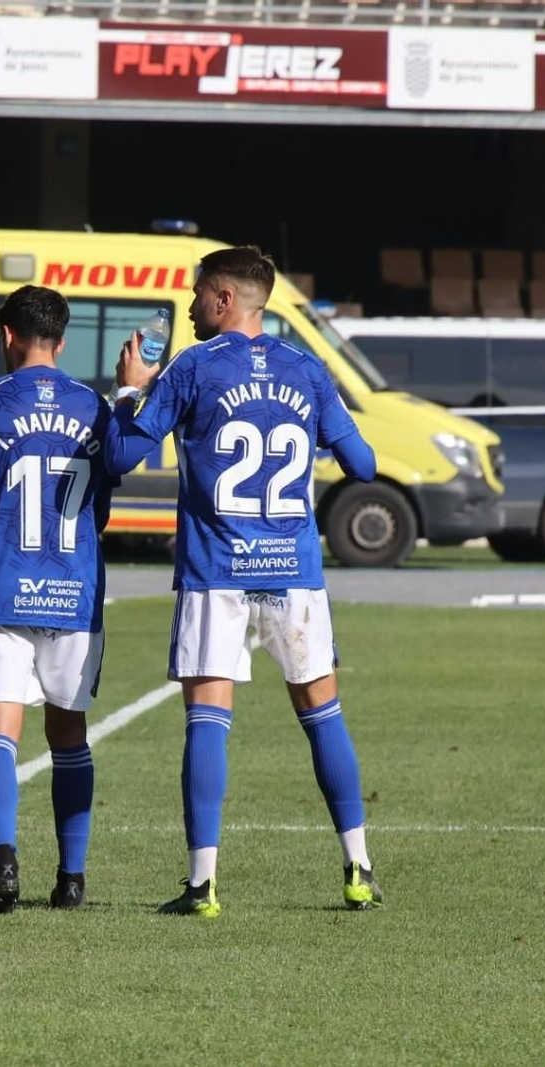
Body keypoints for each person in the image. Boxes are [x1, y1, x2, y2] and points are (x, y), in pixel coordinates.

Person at [107, 246, 384, 917]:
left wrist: (127, 389)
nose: (191, 304)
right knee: (322, 716)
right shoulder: (306, 368)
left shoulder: (193, 367)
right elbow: (366, 464)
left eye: (199, 293)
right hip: (294, 574)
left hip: (216, 574)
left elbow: (120, 455)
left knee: (208, 718)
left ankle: (202, 885)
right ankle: (359, 869)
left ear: (226, 298)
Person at [0, 285, 113, 914]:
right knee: (69, 736)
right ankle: (72, 879)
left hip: (2, 585)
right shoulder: (95, 409)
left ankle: (4, 865)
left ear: (7, 334)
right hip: (72, 590)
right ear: (61, 341)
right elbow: (102, 511)